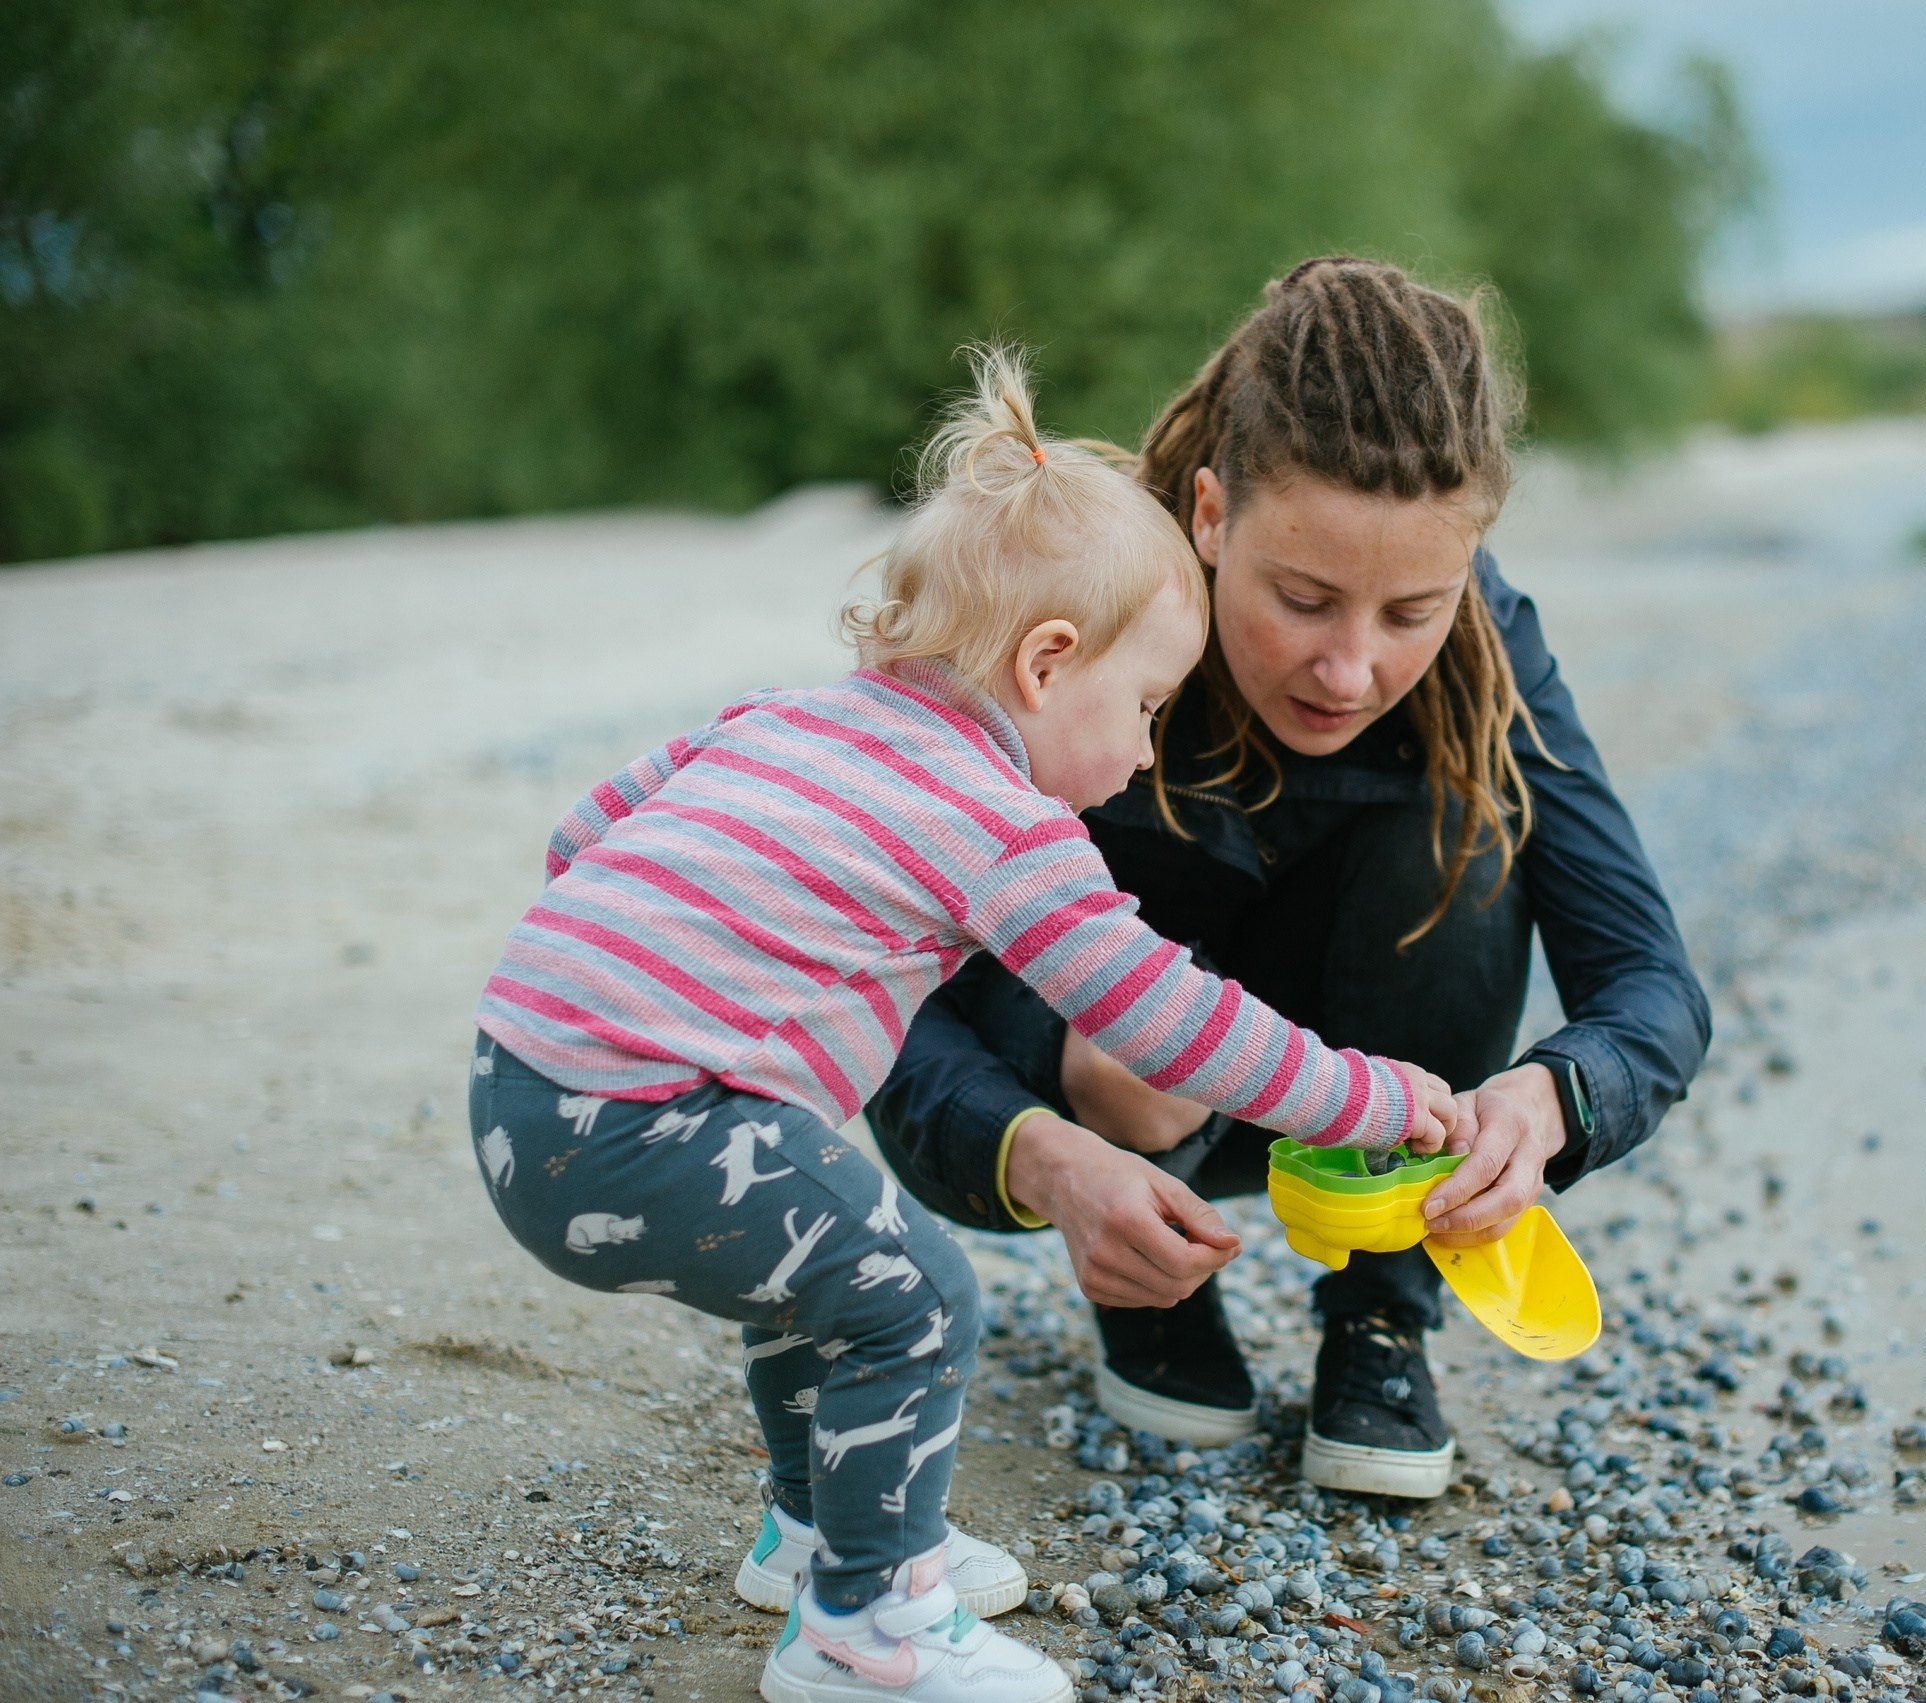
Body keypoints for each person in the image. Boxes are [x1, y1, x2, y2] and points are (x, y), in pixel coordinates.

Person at [463, 346, 1462, 1703]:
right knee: (919, 1296)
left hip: (519, 1086)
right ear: (1050, 663)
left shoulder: (785, 714)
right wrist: (1364, 1095)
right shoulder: (1005, 823)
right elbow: (1171, 1023)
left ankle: (816, 1531)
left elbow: (582, 833)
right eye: (1150, 705)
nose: (1149, 750)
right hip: (634, 1122)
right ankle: (866, 1632)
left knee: (817, 1257)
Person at [868, 258, 1712, 1501]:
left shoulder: (1488, 642)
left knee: (1475, 816)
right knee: (1115, 1026)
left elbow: (1650, 979)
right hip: (1105, 1085)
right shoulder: (1064, 589)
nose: (1350, 668)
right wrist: (1042, 1153)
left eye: (1411, 608)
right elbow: (873, 994)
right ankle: (1154, 1278)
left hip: (1371, 1106)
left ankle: (1381, 1312)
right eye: (1302, 598)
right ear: (1210, 516)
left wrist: (1551, 1100)